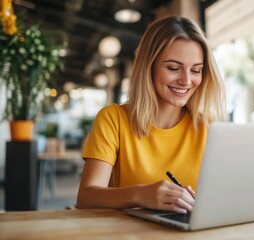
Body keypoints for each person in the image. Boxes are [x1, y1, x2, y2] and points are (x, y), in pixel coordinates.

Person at [77, 16, 225, 213]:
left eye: (196, 70)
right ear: (149, 67)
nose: (186, 80)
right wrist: (141, 194)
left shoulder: (210, 126)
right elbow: (86, 197)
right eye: (173, 68)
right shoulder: (114, 119)